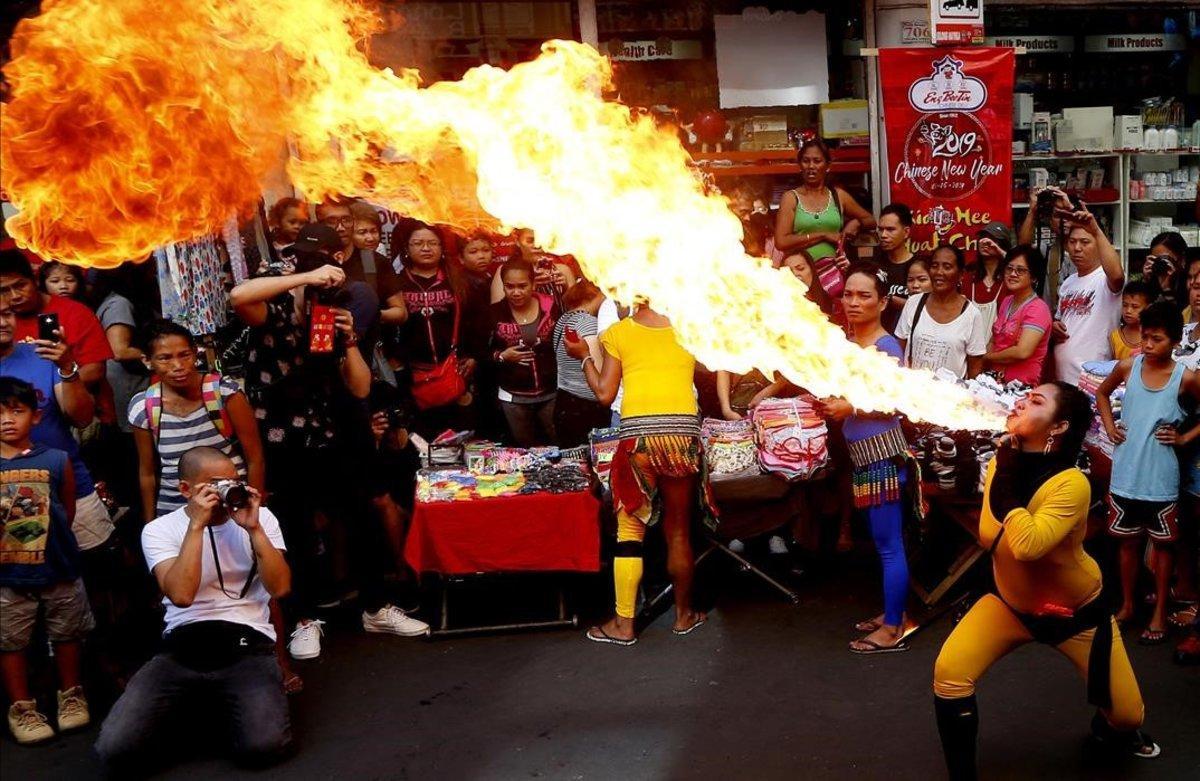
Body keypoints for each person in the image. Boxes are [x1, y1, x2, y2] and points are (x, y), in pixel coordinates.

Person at [933, 383, 1159, 779]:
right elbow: (992, 536)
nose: (1021, 401)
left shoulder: (1071, 483)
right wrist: (1003, 470)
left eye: (1037, 401)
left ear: (1059, 426)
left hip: (1075, 614)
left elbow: (1028, 545)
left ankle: (1105, 737)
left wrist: (1004, 477)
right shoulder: (1002, 465)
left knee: (1126, 716)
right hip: (1010, 604)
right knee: (949, 674)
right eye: (1026, 396)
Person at [231, 223, 426, 662]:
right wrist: (303, 279)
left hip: (333, 429)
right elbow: (238, 297)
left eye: (318, 260)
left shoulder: (342, 305)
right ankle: (303, 619)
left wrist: (350, 340)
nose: (310, 266)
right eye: (300, 258)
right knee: (296, 526)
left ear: (339, 260)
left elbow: (358, 388)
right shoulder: (274, 301)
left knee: (361, 517)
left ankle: (376, 607)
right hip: (283, 434)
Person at [95, 448, 292, 773]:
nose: (226, 489)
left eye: (232, 480)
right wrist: (197, 526)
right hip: (181, 649)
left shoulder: (262, 517)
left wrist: (254, 529)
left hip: (248, 647)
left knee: (264, 747)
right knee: (114, 750)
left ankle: (208, 708)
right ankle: (204, 708)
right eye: (214, 483)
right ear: (185, 489)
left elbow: (281, 588)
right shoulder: (159, 529)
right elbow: (182, 595)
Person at [567, 301, 716, 644]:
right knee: (678, 531)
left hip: (638, 440)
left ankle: (623, 624)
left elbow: (604, 394)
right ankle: (683, 616)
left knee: (629, 531)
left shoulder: (619, 333)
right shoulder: (691, 326)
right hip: (682, 435)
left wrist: (584, 357)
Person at [817, 264, 913, 654]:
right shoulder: (849, 343)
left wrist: (849, 407)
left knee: (889, 544)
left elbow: (897, 401)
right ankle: (893, 613)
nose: (854, 302)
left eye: (864, 296)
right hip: (864, 457)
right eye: (849, 295)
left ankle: (894, 628)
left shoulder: (886, 347)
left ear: (883, 302)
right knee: (881, 542)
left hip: (882, 457)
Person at [1096, 303, 1200, 645]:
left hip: (1161, 478)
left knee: (1164, 547)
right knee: (1127, 543)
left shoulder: (1184, 378)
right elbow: (1101, 391)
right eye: (1145, 336)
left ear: (1173, 341)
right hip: (1126, 474)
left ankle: (1158, 614)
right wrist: (1110, 426)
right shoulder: (1128, 366)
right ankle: (1127, 605)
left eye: (1157, 338)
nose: (1149, 343)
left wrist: (1185, 437)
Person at [0, 377, 93, 745]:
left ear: (35, 417)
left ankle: (71, 696)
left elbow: (66, 510)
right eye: (0, 413)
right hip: (8, 576)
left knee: (67, 634)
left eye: (17, 411)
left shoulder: (57, 460)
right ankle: (22, 707)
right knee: (11, 642)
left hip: (59, 568)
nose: (7, 420)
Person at [0, 300, 114, 566]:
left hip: (69, 485)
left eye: (6, 314)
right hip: (6, 495)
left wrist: (67, 367)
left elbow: (82, 418)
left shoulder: (41, 355)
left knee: (100, 569)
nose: (3, 322)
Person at [389, 221, 480, 440]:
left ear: (441, 249)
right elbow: (388, 329)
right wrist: (398, 365)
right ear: (407, 250)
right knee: (423, 442)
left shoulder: (458, 282)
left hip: (454, 372)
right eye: (418, 243)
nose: (426, 248)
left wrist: (473, 355)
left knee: (460, 439)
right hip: (413, 377)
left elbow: (475, 323)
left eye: (432, 243)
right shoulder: (397, 284)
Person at [773, 138, 875, 300]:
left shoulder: (837, 196)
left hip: (833, 275)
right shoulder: (791, 198)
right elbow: (781, 241)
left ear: (827, 166)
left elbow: (870, 220)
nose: (811, 166)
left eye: (817, 161)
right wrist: (822, 235)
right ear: (800, 165)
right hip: (800, 277)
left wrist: (855, 223)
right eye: (806, 161)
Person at [1, 249, 114, 392]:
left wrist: (49, 394)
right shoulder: (4, 323)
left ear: (35, 280)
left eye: (20, 285)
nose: (15, 295)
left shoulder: (75, 312)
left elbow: (95, 370)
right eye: (4, 290)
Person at [488, 259, 559, 447]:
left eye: (522, 286)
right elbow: (478, 351)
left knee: (556, 445)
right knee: (523, 450)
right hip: (513, 396)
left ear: (533, 284)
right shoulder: (494, 313)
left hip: (550, 392)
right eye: (510, 286)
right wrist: (502, 356)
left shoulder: (551, 308)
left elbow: (563, 342)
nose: (516, 292)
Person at [1050, 209, 1125, 385]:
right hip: (1064, 376)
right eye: (1072, 242)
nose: (1077, 248)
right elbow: (1062, 320)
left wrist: (1097, 230)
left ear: (1099, 244)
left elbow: (1117, 276)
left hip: (1093, 377)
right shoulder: (1068, 282)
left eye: (1085, 242)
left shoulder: (1104, 278)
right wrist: (1054, 327)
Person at [895, 244, 987, 379]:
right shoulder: (914, 303)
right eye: (934, 266)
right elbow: (898, 352)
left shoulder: (972, 314)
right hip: (914, 394)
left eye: (947, 267)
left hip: (951, 397)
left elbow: (975, 368)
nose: (939, 272)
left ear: (961, 274)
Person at [552, 279, 612, 447]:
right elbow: (600, 375)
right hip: (587, 408)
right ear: (597, 295)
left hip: (564, 401)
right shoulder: (590, 324)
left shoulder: (563, 320)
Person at [983, 245, 1052, 385]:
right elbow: (994, 339)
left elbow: (1022, 352)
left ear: (1033, 277)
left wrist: (987, 357)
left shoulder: (1038, 309)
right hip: (995, 381)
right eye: (1009, 268)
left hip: (1020, 385)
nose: (1013, 274)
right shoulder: (1007, 301)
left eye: (1020, 270)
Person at [873, 203, 919, 329]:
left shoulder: (919, 268)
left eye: (890, 229)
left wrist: (889, 298)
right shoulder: (874, 266)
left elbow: (923, 307)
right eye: (880, 229)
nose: (883, 235)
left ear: (906, 232)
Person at [964, 222, 1014, 335]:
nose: (986, 242)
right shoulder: (969, 274)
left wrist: (1001, 253)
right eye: (983, 237)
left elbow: (1021, 266)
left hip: (999, 346)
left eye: (993, 239)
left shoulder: (1011, 277)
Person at [1139, 231, 1189, 309]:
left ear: (1182, 260)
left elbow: (1181, 317)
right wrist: (1145, 282)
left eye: (1164, 259)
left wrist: (1167, 289)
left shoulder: (1190, 283)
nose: (1160, 264)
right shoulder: (1153, 277)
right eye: (1157, 260)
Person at [1109, 281, 1153, 362]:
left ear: (1148, 308)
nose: (1128, 311)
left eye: (1135, 307)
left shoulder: (1154, 335)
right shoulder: (1115, 337)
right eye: (1125, 305)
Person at [266, 196, 310, 265]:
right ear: (277, 222)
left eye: (302, 223)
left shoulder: (305, 247)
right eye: (292, 222)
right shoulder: (269, 245)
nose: (297, 227)